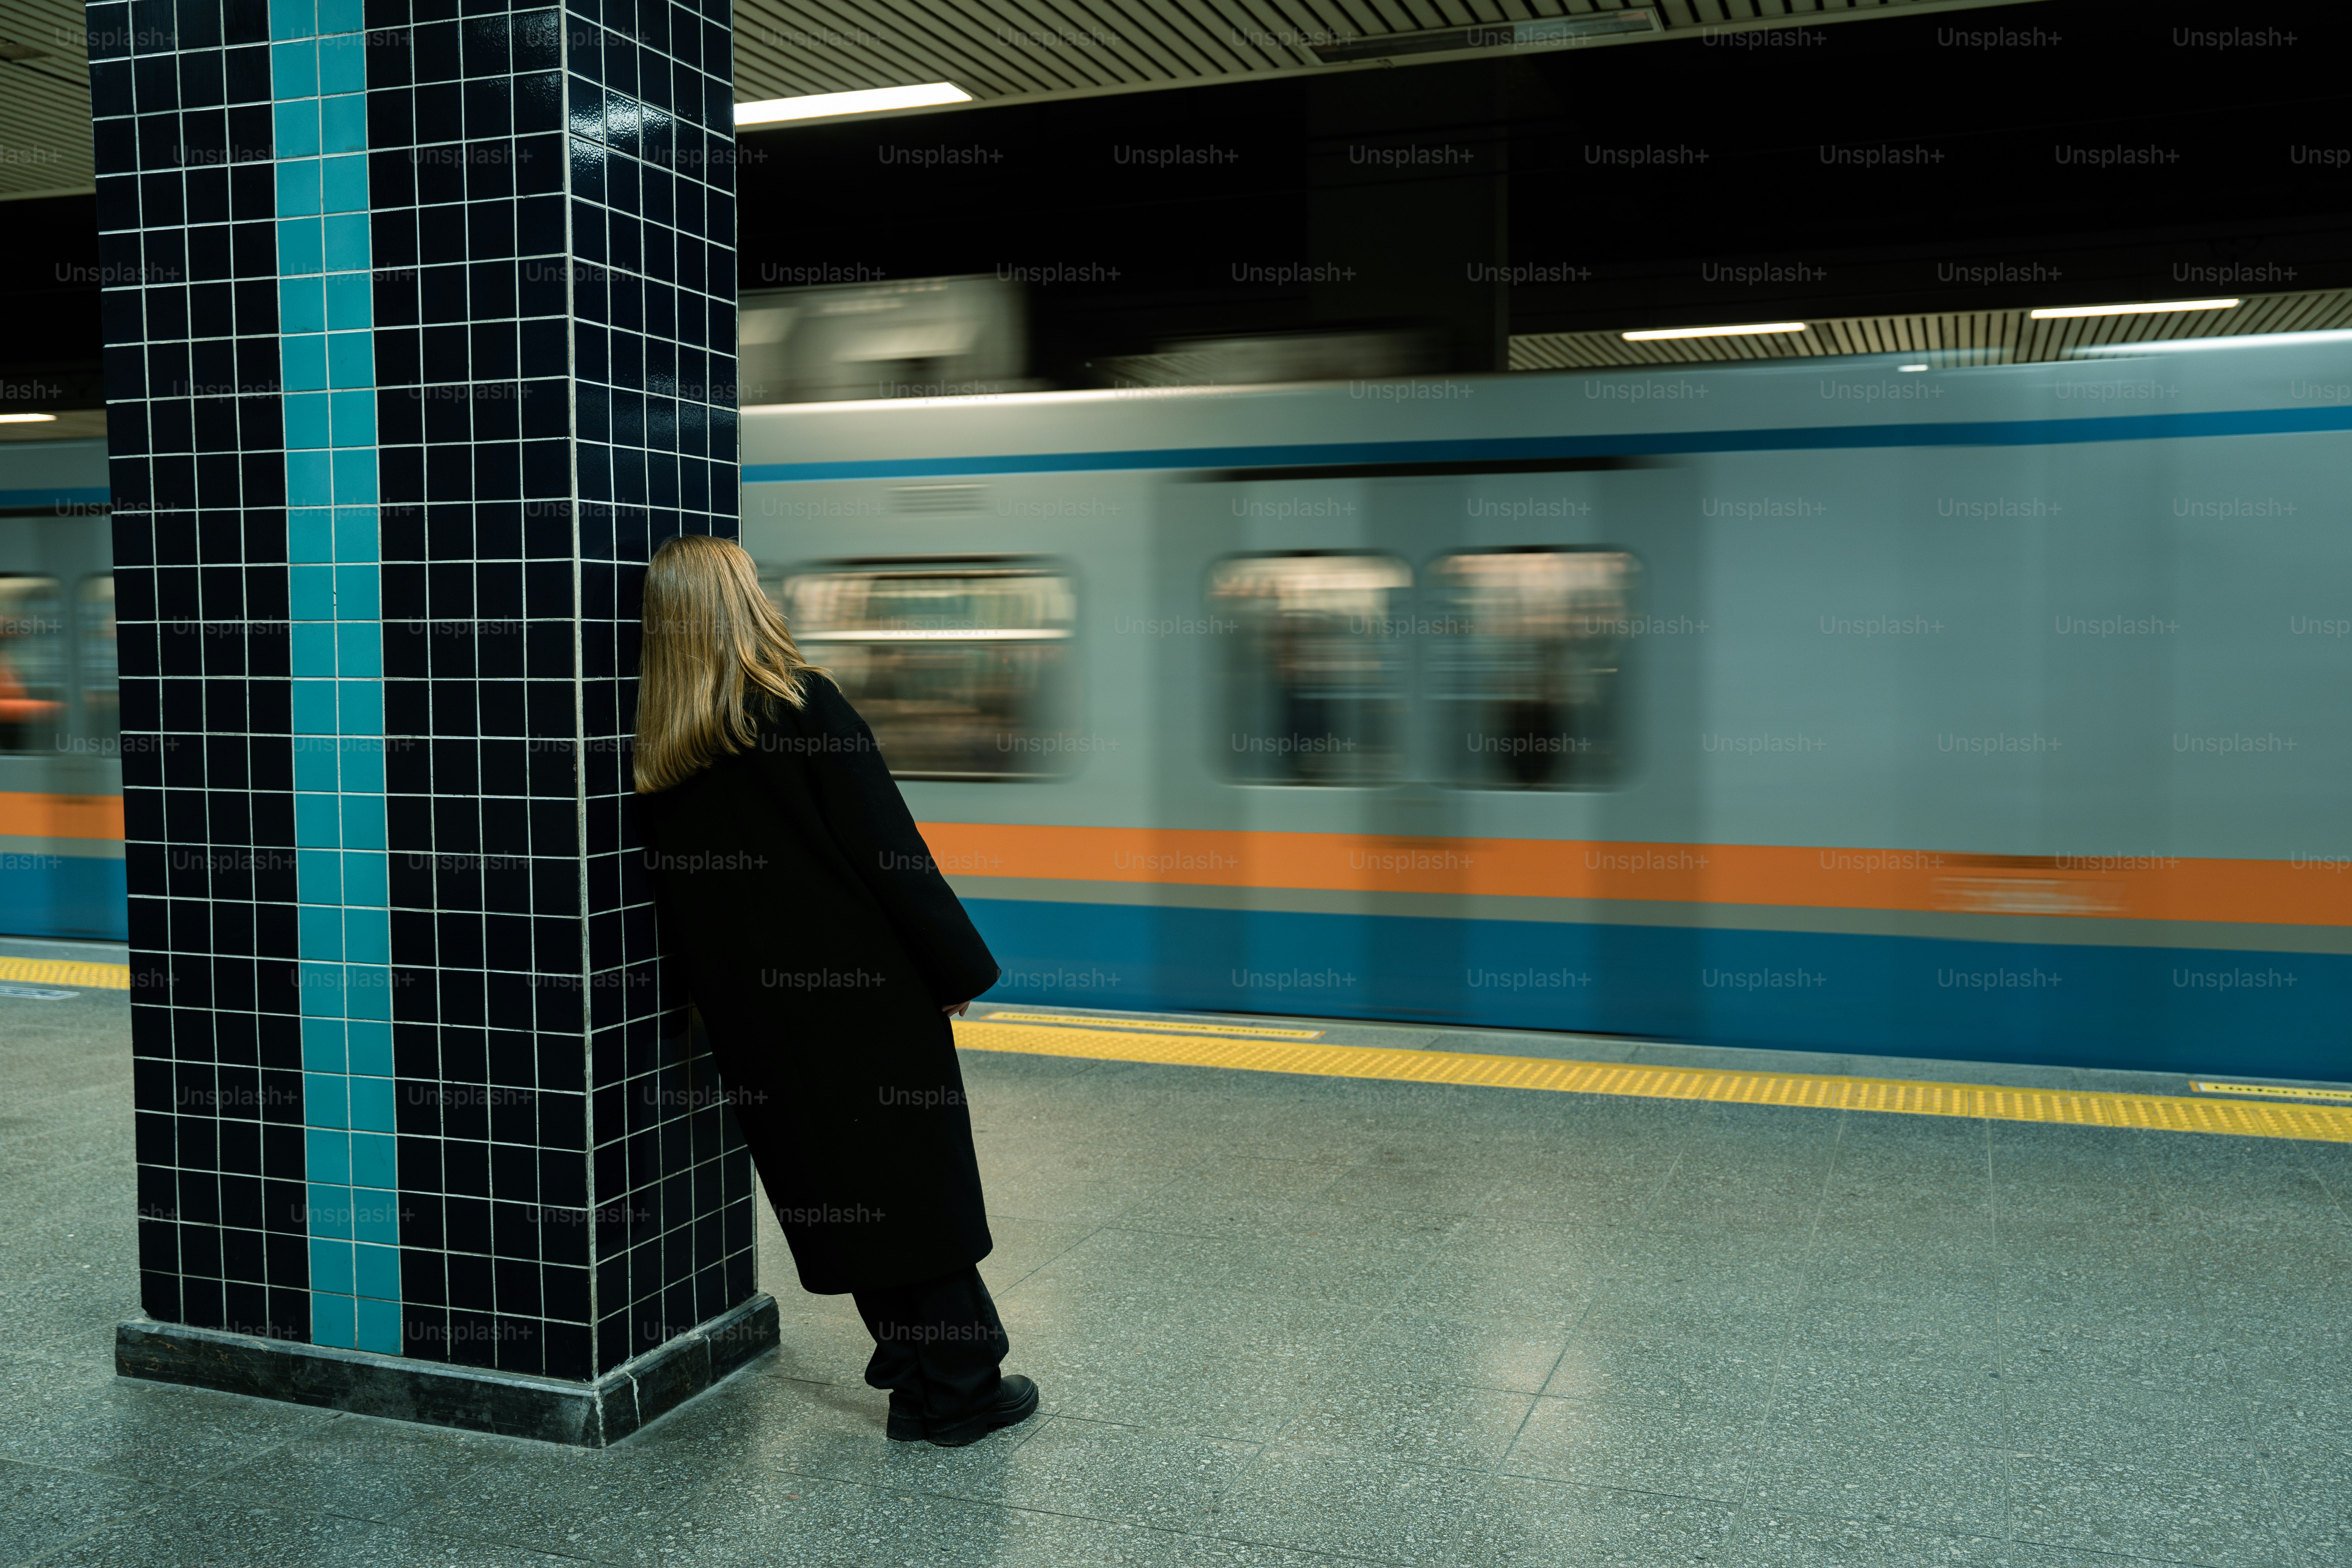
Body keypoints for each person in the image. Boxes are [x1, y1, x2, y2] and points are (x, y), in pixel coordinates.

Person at [631, 533, 1037, 1448]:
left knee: (845, 1196)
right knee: (915, 1195)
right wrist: (956, 968)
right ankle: (962, 1388)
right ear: (742, 605)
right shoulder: (803, 705)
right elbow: (890, 852)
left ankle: (910, 1372)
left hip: (760, 1023)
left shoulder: (660, 754)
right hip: (865, 1001)